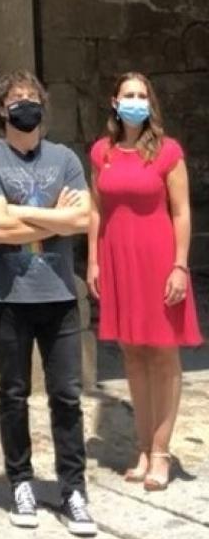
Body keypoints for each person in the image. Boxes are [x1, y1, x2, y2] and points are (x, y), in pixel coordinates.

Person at [0, 69, 97, 537]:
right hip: (8, 298)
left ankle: (73, 489)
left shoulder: (64, 159)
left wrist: (19, 210)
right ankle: (20, 480)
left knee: (67, 395)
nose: (26, 105)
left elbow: (83, 219)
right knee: (13, 394)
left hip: (59, 296)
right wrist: (54, 217)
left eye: (32, 97)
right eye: (16, 99)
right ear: (2, 110)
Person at [87, 72, 200, 491]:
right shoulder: (102, 152)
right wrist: (94, 261)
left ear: (150, 103)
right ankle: (142, 446)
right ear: (114, 102)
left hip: (158, 260)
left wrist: (180, 266)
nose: (135, 100)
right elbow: (96, 210)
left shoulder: (168, 152)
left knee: (163, 355)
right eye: (128, 94)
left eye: (142, 95)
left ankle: (161, 451)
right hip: (118, 261)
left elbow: (181, 212)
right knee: (132, 353)